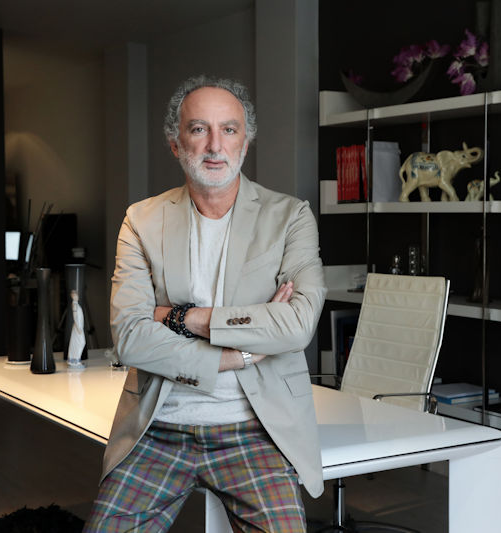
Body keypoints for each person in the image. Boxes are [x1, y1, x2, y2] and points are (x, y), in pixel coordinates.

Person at [84, 75, 326, 532]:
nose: (215, 145)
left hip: (256, 430)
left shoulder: (290, 217)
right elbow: (131, 337)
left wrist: (182, 317)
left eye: (229, 130)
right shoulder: (141, 220)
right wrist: (238, 354)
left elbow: (296, 325)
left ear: (245, 142)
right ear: (175, 143)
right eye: (199, 129)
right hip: (158, 426)